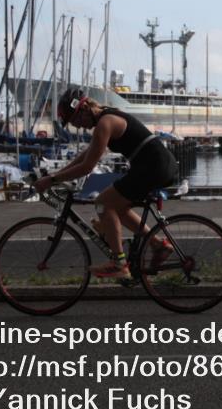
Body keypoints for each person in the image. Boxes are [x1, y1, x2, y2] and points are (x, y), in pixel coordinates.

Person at [34, 89, 178, 277]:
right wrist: (56, 175)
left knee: (103, 202)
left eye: (76, 120)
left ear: (85, 108)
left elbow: (87, 167)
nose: (79, 126)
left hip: (153, 166)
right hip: (154, 165)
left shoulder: (105, 122)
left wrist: (52, 180)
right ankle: (158, 245)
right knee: (116, 206)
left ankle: (119, 264)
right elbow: (84, 156)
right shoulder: (105, 118)